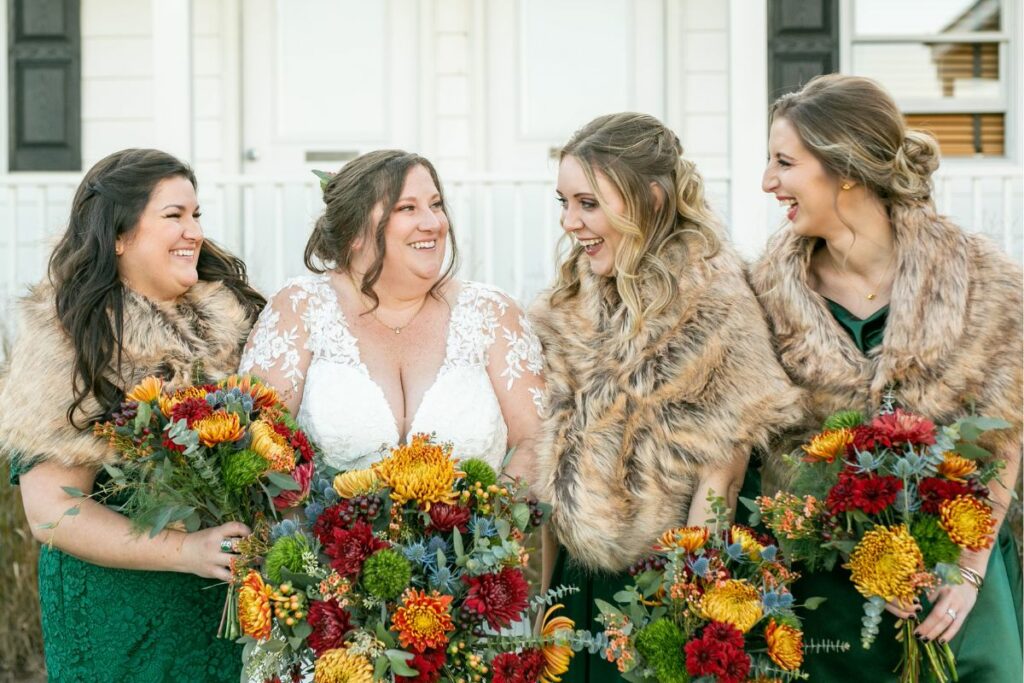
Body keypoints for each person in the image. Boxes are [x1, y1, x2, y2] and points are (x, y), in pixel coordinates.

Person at [751, 74, 1023, 681]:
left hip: (958, 578)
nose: (768, 182)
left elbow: (1003, 439)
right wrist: (863, 555)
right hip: (830, 596)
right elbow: (768, 455)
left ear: (844, 167)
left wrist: (971, 573)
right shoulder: (763, 297)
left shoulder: (983, 283)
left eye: (783, 162)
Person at [529, 112, 803, 681]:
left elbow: (719, 481)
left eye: (588, 203)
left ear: (651, 199)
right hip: (576, 588)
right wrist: (540, 606)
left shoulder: (717, 307)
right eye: (564, 202)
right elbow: (552, 472)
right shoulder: (564, 307)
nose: (570, 222)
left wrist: (687, 624)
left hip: (663, 591)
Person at [0, 149, 266, 682]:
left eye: (196, 215)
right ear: (119, 235)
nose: (193, 231)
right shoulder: (72, 340)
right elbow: (52, 511)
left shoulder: (238, 324)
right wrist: (185, 549)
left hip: (225, 607)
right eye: (174, 216)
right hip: (118, 619)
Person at [239, 150, 544, 479]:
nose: (433, 223)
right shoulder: (299, 309)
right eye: (407, 208)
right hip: (320, 527)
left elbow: (535, 443)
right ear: (355, 232)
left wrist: (496, 518)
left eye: (436, 205)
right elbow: (258, 447)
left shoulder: (493, 313)